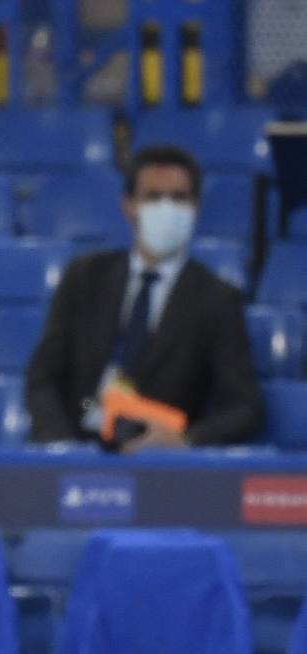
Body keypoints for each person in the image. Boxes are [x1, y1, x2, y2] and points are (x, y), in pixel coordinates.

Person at [25, 144, 262, 450]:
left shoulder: (217, 298)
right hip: (79, 448)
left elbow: (245, 408)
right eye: (152, 197)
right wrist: (63, 447)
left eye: (179, 198)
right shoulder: (84, 277)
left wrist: (185, 441)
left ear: (196, 207)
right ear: (129, 205)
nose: (166, 208)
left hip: (161, 466)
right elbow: (43, 379)